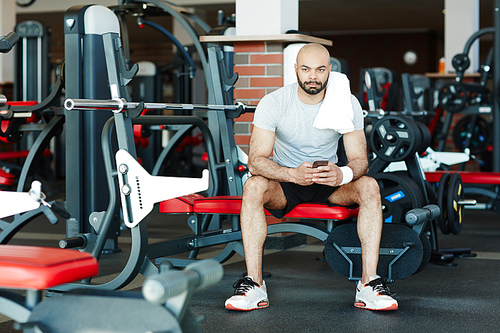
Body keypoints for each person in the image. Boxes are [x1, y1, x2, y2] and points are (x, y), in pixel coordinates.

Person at [224, 43, 398, 312]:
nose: (312, 76)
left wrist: (343, 173)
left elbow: (360, 160)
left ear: (330, 70)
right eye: (306, 69)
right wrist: (291, 174)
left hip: (329, 183)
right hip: (286, 183)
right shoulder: (274, 102)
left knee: (370, 187)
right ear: (295, 70)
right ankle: (254, 284)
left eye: (319, 69)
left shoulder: (345, 102)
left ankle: (368, 284)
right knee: (253, 186)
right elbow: (255, 161)